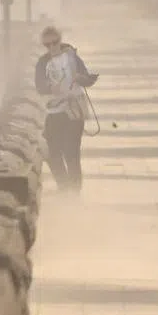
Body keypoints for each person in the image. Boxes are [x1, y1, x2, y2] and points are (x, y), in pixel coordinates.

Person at [34, 25, 98, 194]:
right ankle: (64, 188)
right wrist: (49, 87)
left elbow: (88, 79)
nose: (51, 48)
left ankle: (74, 195)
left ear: (59, 41)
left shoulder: (72, 57)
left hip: (73, 110)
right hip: (54, 112)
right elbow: (39, 86)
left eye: (54, 43)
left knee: (71, 154)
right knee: (52, 154)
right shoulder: (42, 62)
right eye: (47, 45)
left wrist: (81, 78)